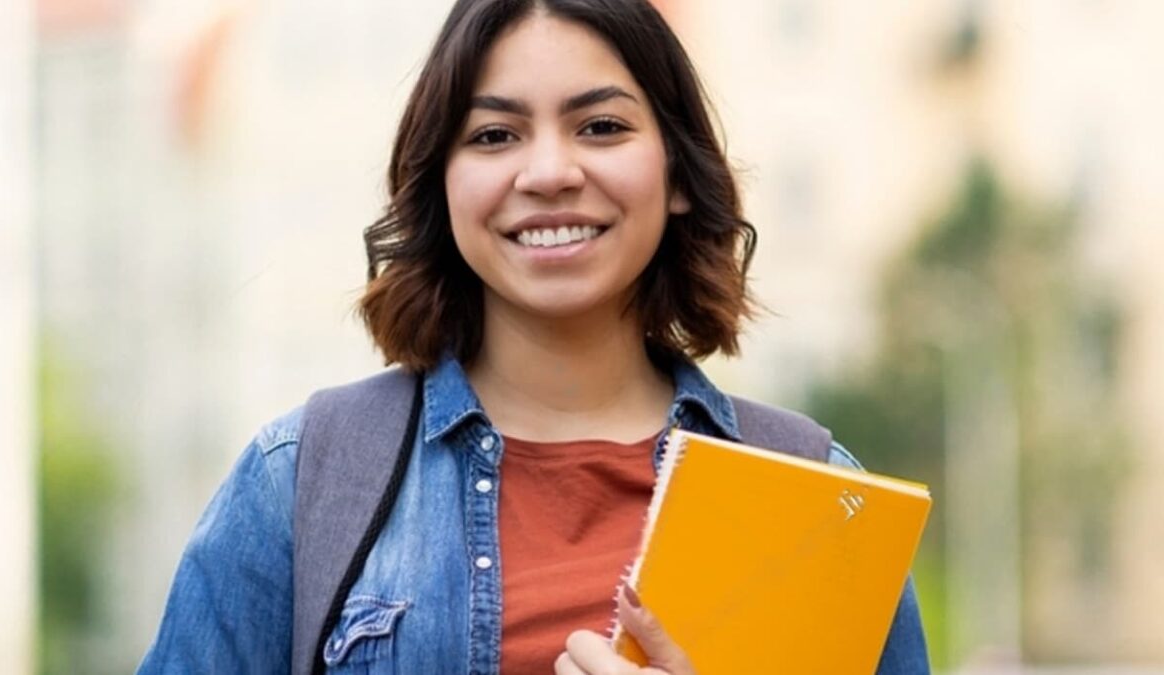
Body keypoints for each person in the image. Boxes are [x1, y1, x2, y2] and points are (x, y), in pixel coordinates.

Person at [139, 0, 930, 673]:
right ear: (440, 182)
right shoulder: (299, 482)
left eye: (601, 126)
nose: (548, 171)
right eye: (494, 136)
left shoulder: (824, 503)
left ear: (680, 174)